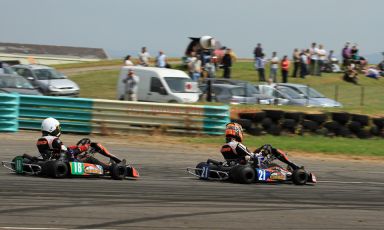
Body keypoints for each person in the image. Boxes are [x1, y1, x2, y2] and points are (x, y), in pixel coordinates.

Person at [36, 117, 125, 170]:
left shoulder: (41, 140)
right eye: (57, 127)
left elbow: (61, 150)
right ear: (52, 128)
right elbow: (67, 153)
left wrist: (76, 146)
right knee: (89, 157)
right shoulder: (55, 140)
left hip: (53, 161)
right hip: (66, 162)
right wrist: (83, 148)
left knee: (83, 154)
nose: (59, 129)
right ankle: (112, 167)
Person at [220, 122, 300, 170]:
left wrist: (258, 151)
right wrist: (263, 153)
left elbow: (242, 156)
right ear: (237, 132)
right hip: (251, 165)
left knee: (263, 150)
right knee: (269, 148)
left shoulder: (224, 147)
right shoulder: (236, 144)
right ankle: (295, 167)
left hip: (238, 165)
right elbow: (250, 156)